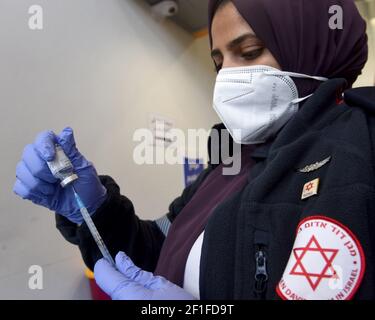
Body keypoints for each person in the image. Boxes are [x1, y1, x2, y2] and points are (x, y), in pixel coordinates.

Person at [14, 0, 375, 300]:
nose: (226, 79)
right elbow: (157, 249)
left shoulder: (356, 150)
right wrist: (94, 212)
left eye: (248, 52)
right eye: (219, 63)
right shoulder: (231, 160)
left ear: (311, 47)